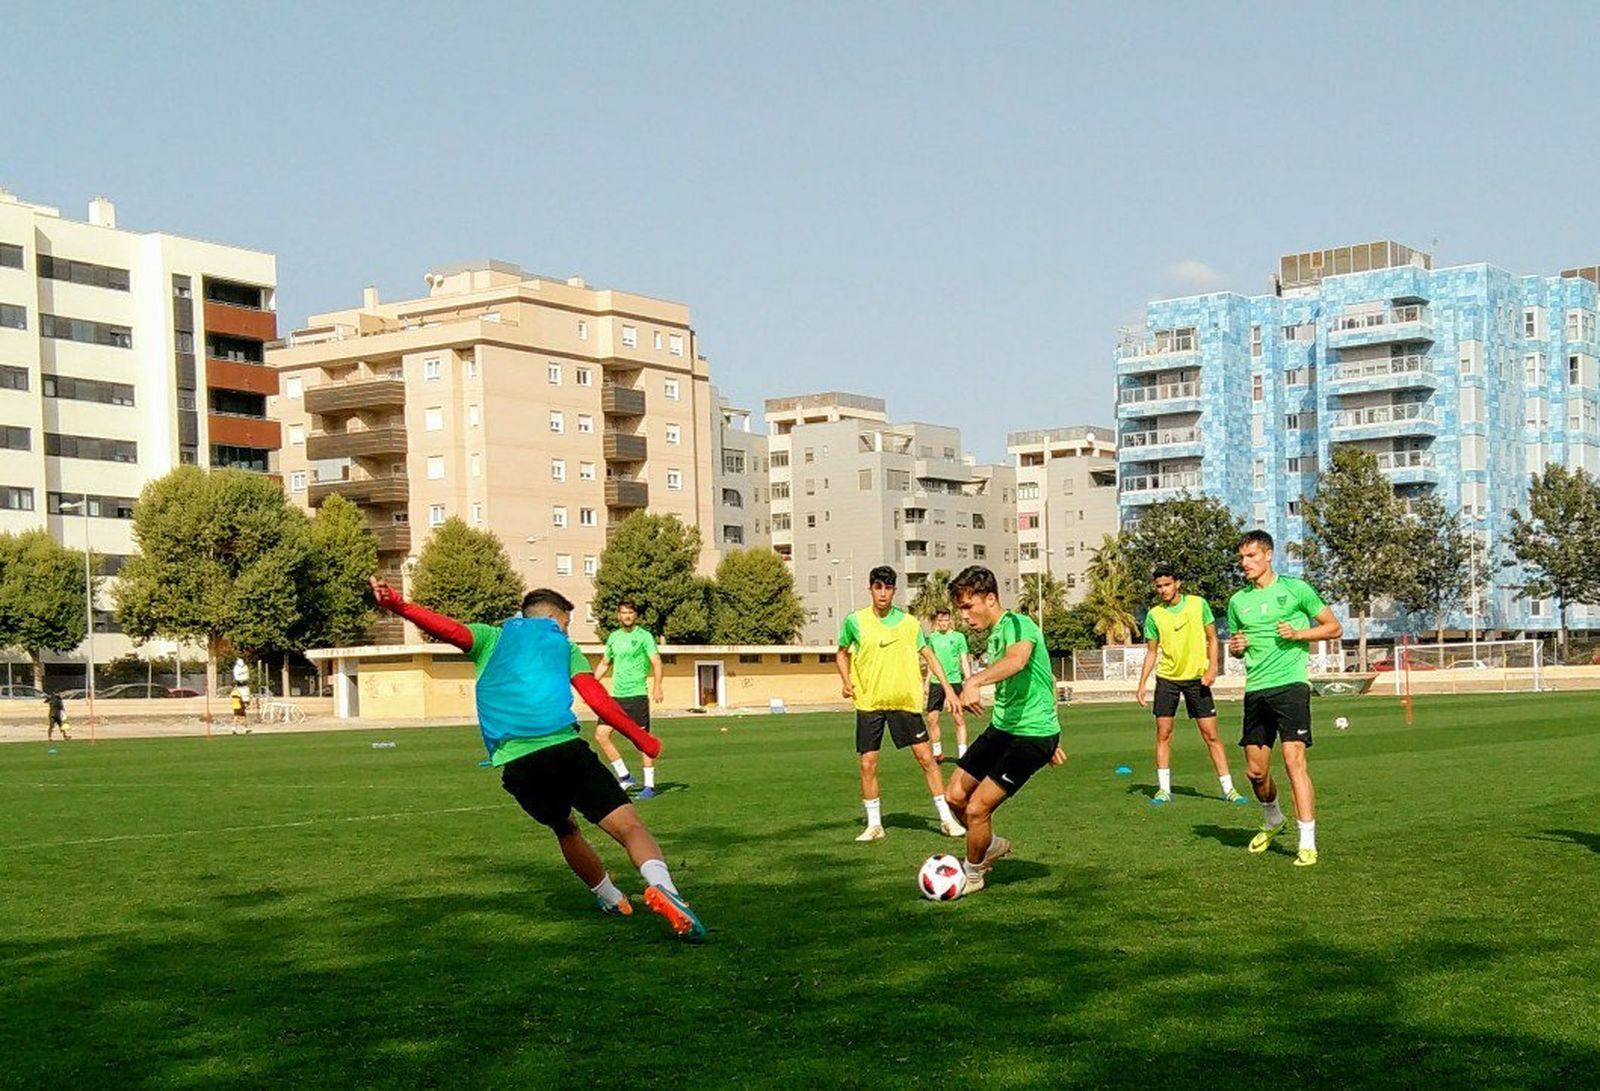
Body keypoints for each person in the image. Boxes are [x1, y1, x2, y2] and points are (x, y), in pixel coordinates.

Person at [369, 576, 705, 940]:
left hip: (518, 765)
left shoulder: (489, 638)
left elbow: (447, 628)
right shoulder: (564, 646)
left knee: (566, 828)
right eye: (566, 624)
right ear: (555, 618)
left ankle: (610, 898)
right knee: (630, 827)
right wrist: (641, 738)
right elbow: (598, 700)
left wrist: (399, 605)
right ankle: (664, 887)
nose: (565, 631)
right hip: (564, 750)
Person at [1225, 531, 1343, 868]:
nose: (1244, 563)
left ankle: (1307, 842)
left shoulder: (1295, 590)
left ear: (1268, 555)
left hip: (1291, 685)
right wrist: (1237, 649)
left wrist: (1299, 633)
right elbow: (1238, 644)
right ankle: (1274, 819)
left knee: (1294, 762)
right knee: (1256, 774)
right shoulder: (1237, 602)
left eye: (1250, 556)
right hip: (1255, 690)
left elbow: (1333, 627)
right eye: (1241, 558)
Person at [945, 565, 1065, 895]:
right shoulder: (996, 634)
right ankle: (991, 844)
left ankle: (972, 875)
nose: (965, 617)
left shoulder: (1018, 624)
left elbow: (1018, 661)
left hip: (1031, 736)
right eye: (960, 609)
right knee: (953, 796)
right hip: (1004, 728)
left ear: (991, 598)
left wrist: (974, 681)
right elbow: (1045, 679)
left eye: (968, 606)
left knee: (977, 808)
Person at [837, 566, 965, 841]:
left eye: (888, 587)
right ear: (870, 589)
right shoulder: (854, 622)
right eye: (878, 587)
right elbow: (841, 653)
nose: (883, 593)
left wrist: (949, 691)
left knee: (927, 759)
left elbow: (929, 655)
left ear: (894, 590)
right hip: (869, 703)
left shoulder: (909, 624)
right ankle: (874, 825)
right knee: (868, 763)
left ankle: (946, 819)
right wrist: (846, 680)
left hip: (904, 703)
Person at [1134, 564, 1246, 806]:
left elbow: (1212, 638)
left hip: (1197, 680)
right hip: (1167, 680)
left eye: (1167, 584)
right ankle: (1164, 789)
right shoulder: (1154, 615)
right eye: (1159, 586)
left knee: (1211, 735)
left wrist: (1212, 669)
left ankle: (1229, 789)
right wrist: (1142, 683)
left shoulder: (1198, 604)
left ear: (1178, 583)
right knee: (1163, 733)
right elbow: (1152, 652)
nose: (1163, 590)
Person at [592, 601, 665, 799]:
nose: (627, 616)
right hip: (615, 697)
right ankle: (625, 776)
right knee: (601, 735)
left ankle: (649, 785)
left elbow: (656, 661)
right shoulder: (614, 637)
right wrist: (591, 685)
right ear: (618, 615)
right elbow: (605, 662)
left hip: (636, 695)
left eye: (630, 613)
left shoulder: (644, 636)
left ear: (636, 615)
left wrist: (658, 685)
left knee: (642, 740)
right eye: (623, 613)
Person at [924, 607, 971, 763]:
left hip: (955, 681)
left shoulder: (959, 637)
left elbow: (964, 660)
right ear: (937, 621)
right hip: (937, 683)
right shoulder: (932, 638)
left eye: (945, 620)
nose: (943, 623)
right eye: (940, 620)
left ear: (950, 620)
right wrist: (926, 681)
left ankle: (963, 754)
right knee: (932, 718)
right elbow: (932, 661)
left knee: (958, 719)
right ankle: (937, 753)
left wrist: (969, 681)